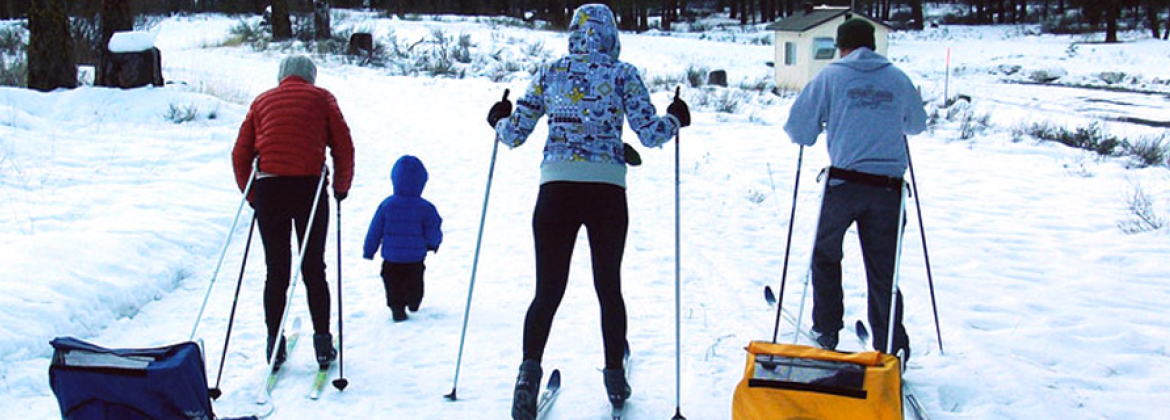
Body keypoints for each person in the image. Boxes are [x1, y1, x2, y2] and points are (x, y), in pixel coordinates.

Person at [487, 4, 690, 419]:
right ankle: (614, 376)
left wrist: (497, 120)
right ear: (611, 35)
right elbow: (650, 134)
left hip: (555, 191)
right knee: (608, 287)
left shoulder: (549, 71)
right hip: (607, 193)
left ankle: (527, 377)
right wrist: (675, 118)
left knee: (547, 290)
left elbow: (515, 134)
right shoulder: (622, 73)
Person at [783, 18, 927, 363]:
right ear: (873, 44)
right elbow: (917, 125)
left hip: (844, 183)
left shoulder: (831, 77)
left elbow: (798, 130)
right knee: (884, 270)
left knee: (825, 253)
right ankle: (891, 343)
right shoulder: (898, 78)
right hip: (888, 189)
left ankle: (827, 327)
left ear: (841, 46)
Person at [232, 55, 355, 369]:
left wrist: (253, 195)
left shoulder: (262, 102)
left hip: (270, 188)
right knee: (313, 267)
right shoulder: (322, 98)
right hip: (308, 189)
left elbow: (240, 154)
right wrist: (341, 187)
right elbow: (343, 146)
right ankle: (323, 344)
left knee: (277, 269)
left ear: (282, 76)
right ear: (310, 76)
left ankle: (274, 345)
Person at [362, 155, 443, 322]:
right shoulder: (426, 208)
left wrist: (369, 250)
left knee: (393, 283)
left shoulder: (387, 205)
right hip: (415, 257)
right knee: (415, 281)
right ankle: (414, 301)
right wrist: (433, 244)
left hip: (391, 258)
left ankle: (397, 307)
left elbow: (374, 230)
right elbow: (433, 229)